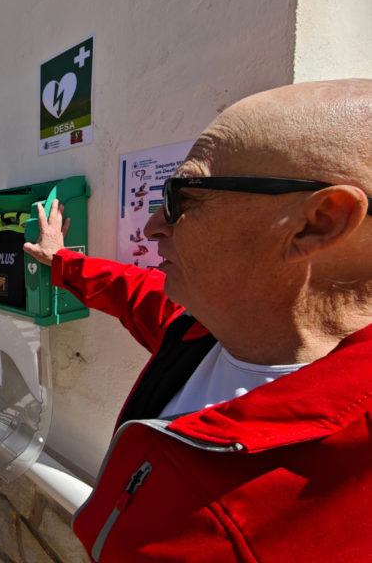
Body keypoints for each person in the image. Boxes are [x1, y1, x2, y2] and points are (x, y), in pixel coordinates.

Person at [24, 80, 372, 562]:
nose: (153, 226)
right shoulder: (201, 328)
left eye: (183, 197)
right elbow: (134, 291)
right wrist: (61, 261)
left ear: (318, 222)